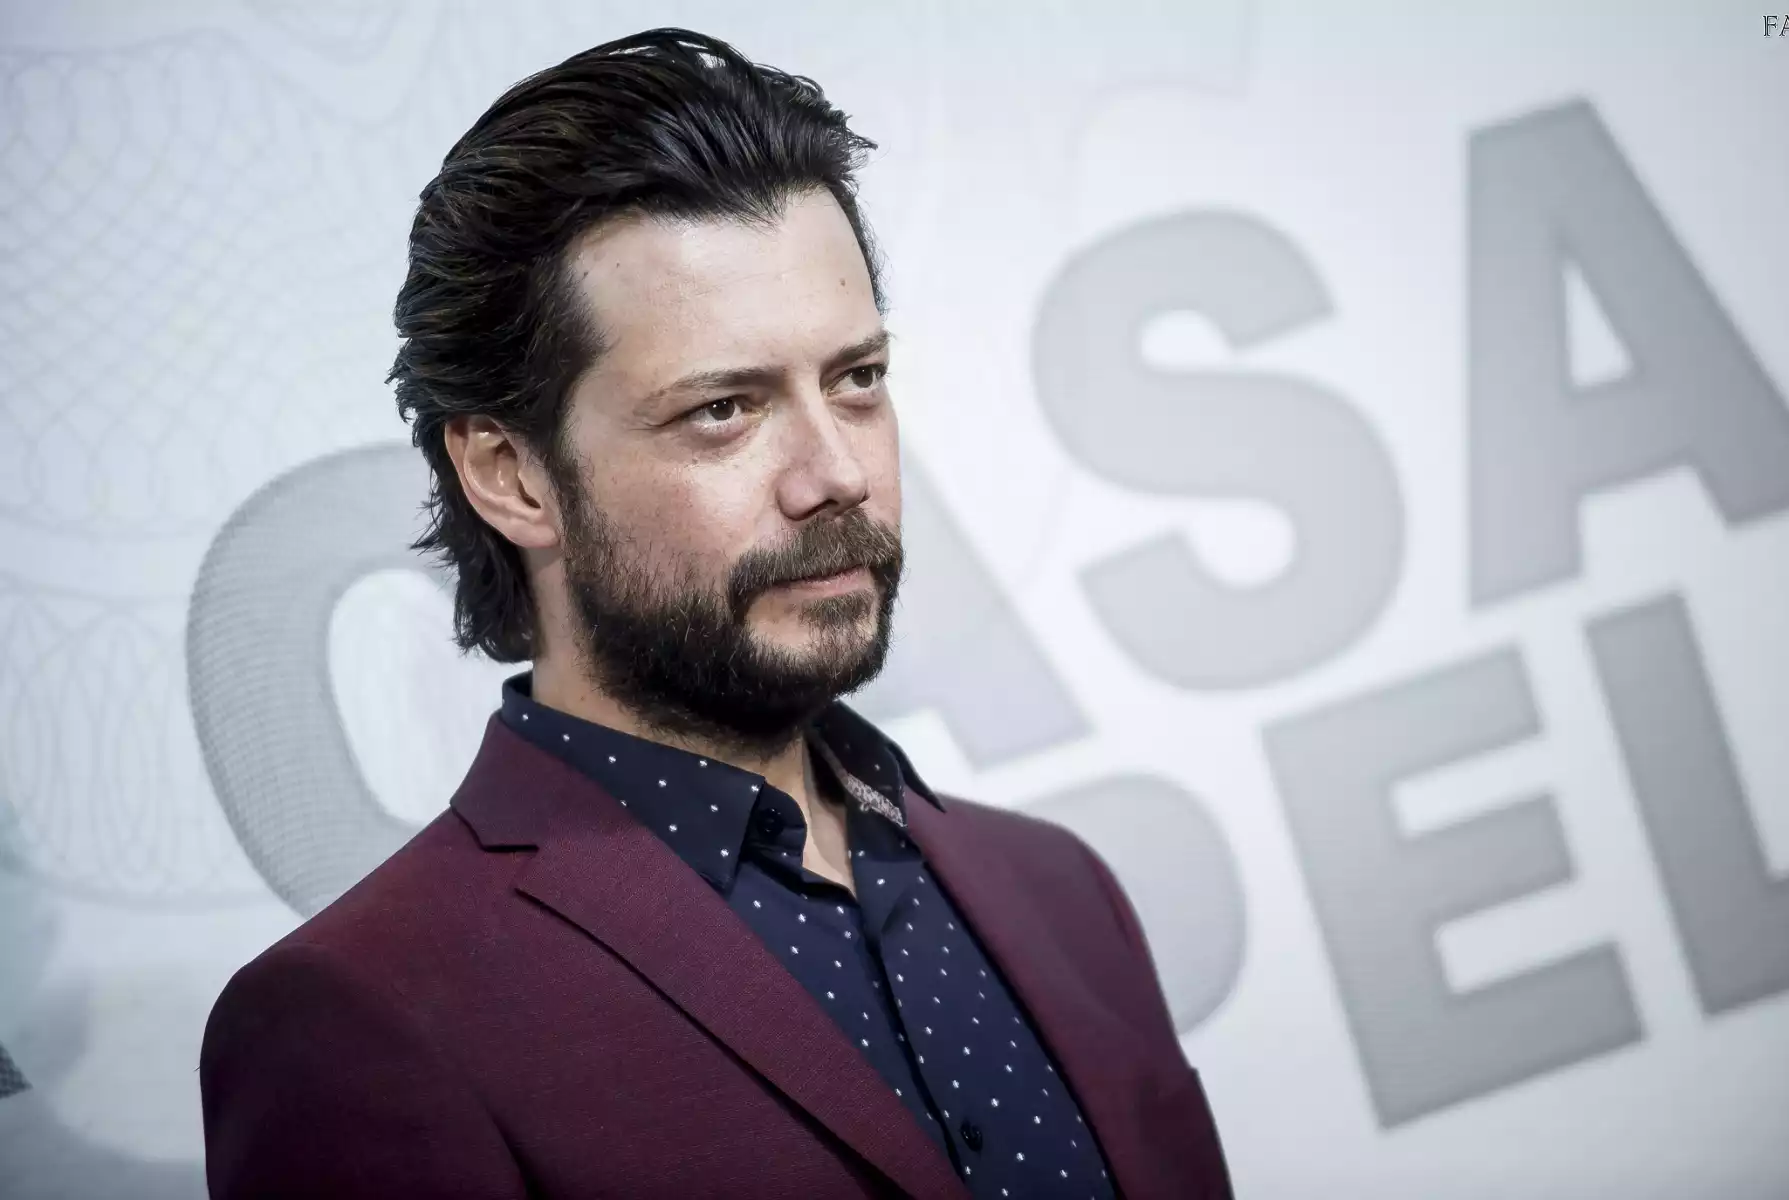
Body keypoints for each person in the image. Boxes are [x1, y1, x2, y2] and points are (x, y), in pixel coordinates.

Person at [198, 28, 1232, 1200]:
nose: (835, 474)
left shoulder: (1062, 895)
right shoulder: (361, 1021)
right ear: (513, 476)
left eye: (856, 379)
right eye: (724, 410)